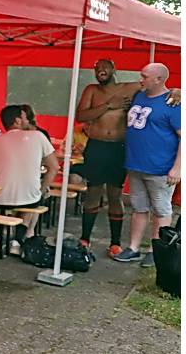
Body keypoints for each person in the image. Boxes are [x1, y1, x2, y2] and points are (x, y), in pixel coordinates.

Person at [76, 58, 180, 258]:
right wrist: (109, 105)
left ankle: (116, 243)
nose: (100, 71)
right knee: (93, 193)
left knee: (115, 195)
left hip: (119, 148)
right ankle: (85, 238)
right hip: (96, 146)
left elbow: (159, 88)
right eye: (97, 68)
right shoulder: (92, 90)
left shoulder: (132, 88)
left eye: (105, 67)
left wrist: (178, 91)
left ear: (114, 69)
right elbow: (81, 116)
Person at [113, 63, 181, 267]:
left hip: (160, 168)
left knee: (161, 210)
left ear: (159, 79)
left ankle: (156, 250)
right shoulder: (139, 95)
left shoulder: (173, 103)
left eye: (144, 76)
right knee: (139, 207)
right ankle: (133, 247)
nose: (140, 79)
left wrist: (178, 168)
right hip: (136, 165)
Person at [0, 105, 59, 254]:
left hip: (0, 199)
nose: (27, 120)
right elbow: (54, 167)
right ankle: (17, 241)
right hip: (31, 199)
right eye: (24, 118)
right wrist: (42, 190)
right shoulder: (38, 136)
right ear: (17, 121)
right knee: (31, 194)